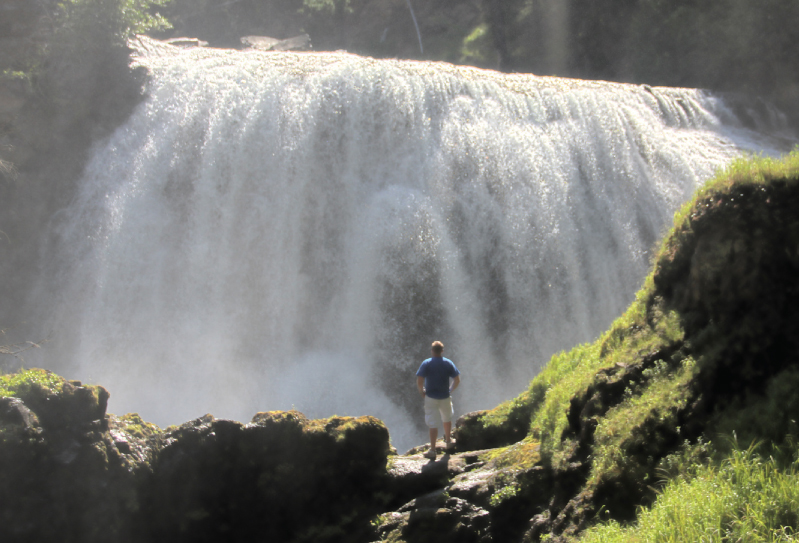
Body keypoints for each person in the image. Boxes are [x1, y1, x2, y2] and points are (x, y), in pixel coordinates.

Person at [416, 340, 460, 459]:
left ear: (432, 351)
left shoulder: (426, 363)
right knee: (447, 418)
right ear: (442, 351)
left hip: (430, 397)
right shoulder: (448, 363)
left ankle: (433, 450)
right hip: (445, 396)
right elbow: (457, 380)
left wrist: (422, 391)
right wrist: (450, 390)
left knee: (433, 423)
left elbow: (420, 380)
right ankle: (449, 442)